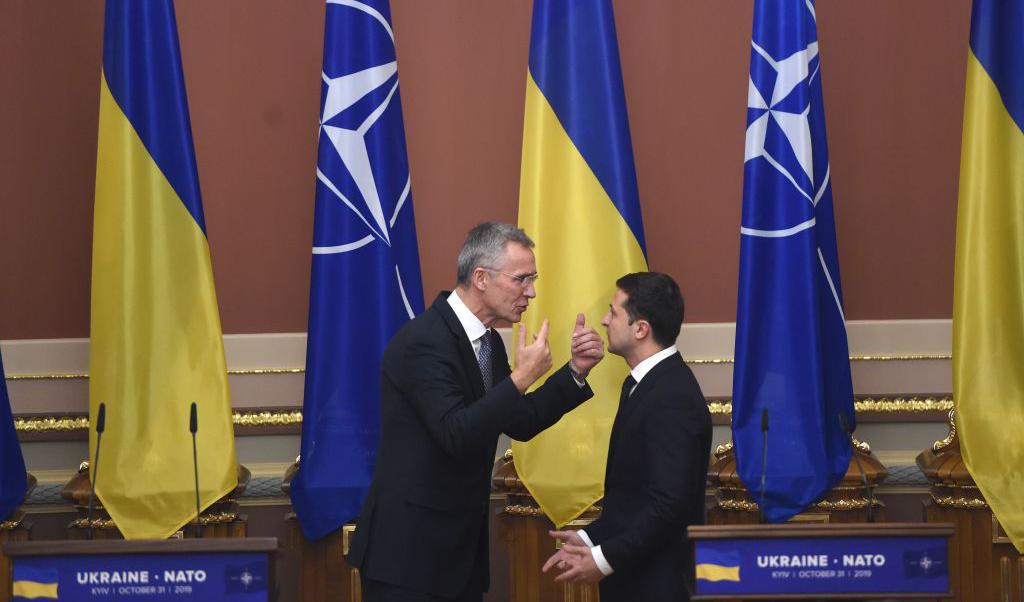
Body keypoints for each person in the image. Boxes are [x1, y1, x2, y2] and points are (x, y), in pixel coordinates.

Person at [347, 222, 606, 602]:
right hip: (409, 559)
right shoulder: (423, 342)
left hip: (459, 556)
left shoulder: (487, 343)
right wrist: (519, 380)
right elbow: (456, 434)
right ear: (481, 278)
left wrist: (575, 372)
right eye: (522, 279)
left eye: (532, 279)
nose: (531, 292)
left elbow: (520, 421)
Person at [543, 272, 712, 601]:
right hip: (636, 579)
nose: (604, 320)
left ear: (641, 329)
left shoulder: (671, 396)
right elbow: (634, 500)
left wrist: (603, 560)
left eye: (613, 311)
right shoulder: (641, 384)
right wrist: (589, 539)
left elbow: (669, 507)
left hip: (657, 584)